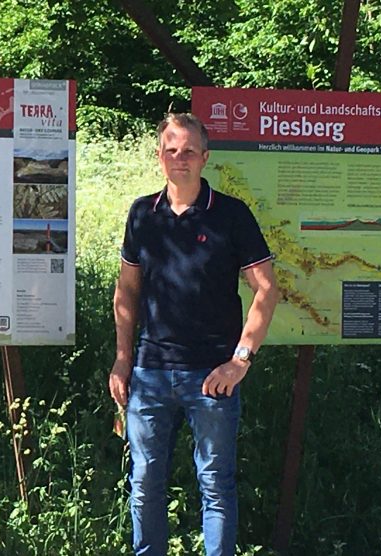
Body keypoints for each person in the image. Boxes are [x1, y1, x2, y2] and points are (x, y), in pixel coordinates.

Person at [109, 113, 279, 556]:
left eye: (188, 151)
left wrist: (240, 359)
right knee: (144, 483)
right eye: (170, 150)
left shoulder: (231, 215)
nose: (178, 159)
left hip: (211, 376)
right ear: (159, 156)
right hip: (149, 373)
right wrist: (123, 359)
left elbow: (266, 288)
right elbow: (126, 290)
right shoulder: (143, 214)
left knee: (216, 486)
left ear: (205, 157)